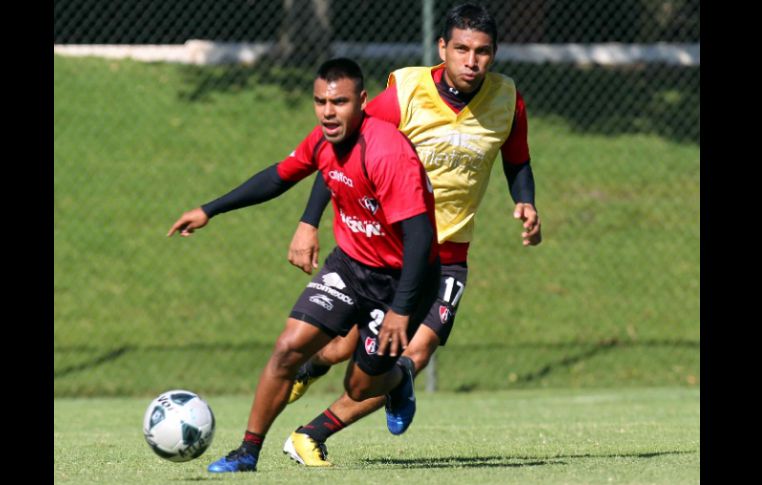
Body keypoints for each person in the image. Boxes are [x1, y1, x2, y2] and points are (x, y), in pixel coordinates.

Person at [281, 3, 542, 467]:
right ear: (443, 48)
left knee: (411, 354)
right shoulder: (406, 91)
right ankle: (315, 363)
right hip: (390, 250)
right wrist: (308, 220)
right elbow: (340, 146)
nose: (471, 60)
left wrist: (526, 200)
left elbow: (517, 159)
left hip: (450, 253)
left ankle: (310, 434)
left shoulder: (508, 99)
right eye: (461, 48)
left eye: (482, 51)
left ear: (494, 54)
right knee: (350, 345)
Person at [167, 57, 441, 473]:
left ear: (362, 101)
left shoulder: (387, 152)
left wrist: (401, 310)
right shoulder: (323, 141)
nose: (328, 112)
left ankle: (398, 379)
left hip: (403, 280)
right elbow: (278, 177)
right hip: (350, 267)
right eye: (320, 102)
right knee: (288, 348)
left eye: (340, 102)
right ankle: (247, 453)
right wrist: (210, 210)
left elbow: (421, 239)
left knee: (361, 384)